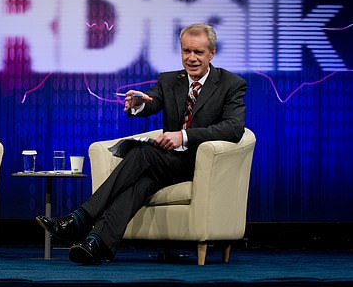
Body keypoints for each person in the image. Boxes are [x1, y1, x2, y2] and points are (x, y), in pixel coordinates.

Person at [36, 23, 247, 264]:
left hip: (200, 164)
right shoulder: (170, 80)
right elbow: (152, 101)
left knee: (143, 152)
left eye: (198, 52)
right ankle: (95, 243)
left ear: (211, 53)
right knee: (137, 186)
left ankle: (80, 218)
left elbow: (233, 128)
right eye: (186, 51)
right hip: (167, 163)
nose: (191, 58)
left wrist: (184, 136)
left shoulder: (231, 84)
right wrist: (139, 105)